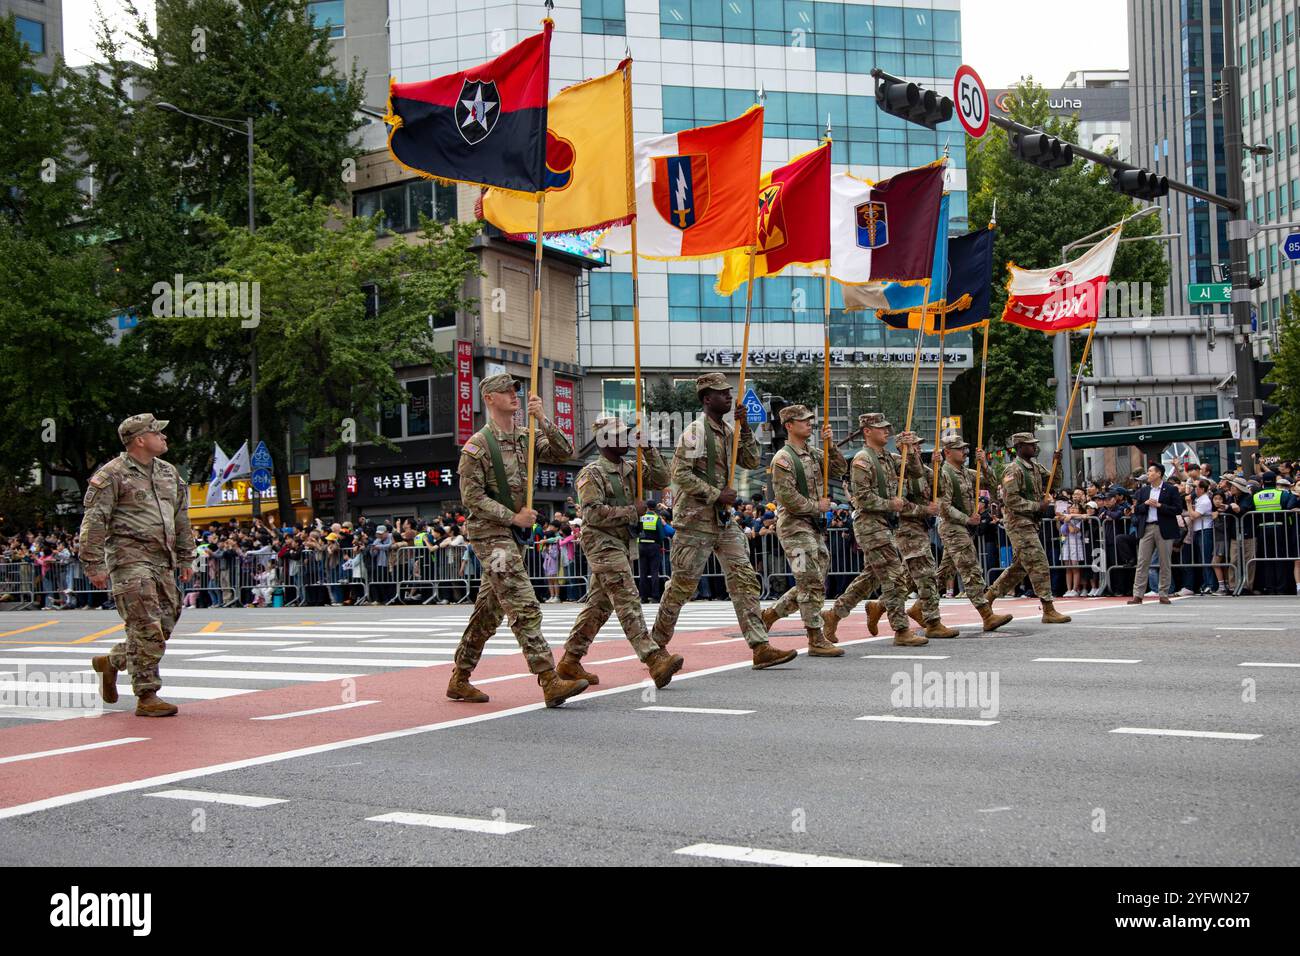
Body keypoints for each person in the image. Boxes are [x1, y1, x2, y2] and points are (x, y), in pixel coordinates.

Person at [446, 374, 589, 708]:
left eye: (516, 391)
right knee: (523, 602)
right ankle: (548, 678)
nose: (515, 395)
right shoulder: (477, 447)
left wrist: (542, 418)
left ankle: (460, 677)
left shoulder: (527, 437)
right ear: (489, 398)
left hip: (514, 534)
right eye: (506, 391)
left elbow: (565, 451)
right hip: (491, 534)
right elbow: (471, 497)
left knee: (489, 611)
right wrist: (513, 517)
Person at [649, 372, 797, 670]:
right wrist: (717, 493)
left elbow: (752, 461)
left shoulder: (730, 430)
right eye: (721, 393)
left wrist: (744, 429)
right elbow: (679, 474)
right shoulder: (695, 432)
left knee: (744, 578)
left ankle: (760, 645)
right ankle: (656, 644)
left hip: (724, 521)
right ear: (707, 398)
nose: (728, 397)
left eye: (729, 392)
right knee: (683, 585)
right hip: (694, 520)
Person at [80, 414, 195, 717]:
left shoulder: (169, 473)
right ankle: (147, 695)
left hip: (163, 560)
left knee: (168, 618)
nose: (164, 437)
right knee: (145, 625)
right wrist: (92, 563)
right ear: (140, 439)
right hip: (130, 560)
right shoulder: (112, 475)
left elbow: (181, 517)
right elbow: (94, 521)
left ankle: (113, 661)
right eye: (158, 433)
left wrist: (186, 556)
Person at [559, 417, 685, 689]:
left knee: (599, 606)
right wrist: (631, 512)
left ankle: (570, 659)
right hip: (601, 542)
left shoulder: (632, 469)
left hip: (622, 542)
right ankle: (653, 658)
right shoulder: (591, 473)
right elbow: (591, 513)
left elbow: (663, 478)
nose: (625, 440)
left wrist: (648, 446)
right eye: (618, 436)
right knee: (627, 596)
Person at [821, 413, 926, 647]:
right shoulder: (862, 460)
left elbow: (916, 472)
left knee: (870, 578)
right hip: (870, 525)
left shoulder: (888, 457)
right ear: (867, 431)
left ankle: (834, 614)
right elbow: (863, 498)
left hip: (883, 524)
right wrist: (891, 504)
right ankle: (901, 629)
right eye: (880, 428)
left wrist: (910, 449)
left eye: (887, 427)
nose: (886, 431)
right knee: (895, 577)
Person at [759, 405, 849, 657]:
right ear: (789, 425)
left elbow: (839, 468)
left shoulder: (813, 453)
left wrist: (831, 445)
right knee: (809, 580)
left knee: (813, 579)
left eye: (811, 420)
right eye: (804, 421)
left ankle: (772, 614)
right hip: (793, 527)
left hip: (812, 525)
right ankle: (815, 637)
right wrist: (816, 506)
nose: (810, 424)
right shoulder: (783, 459)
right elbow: (787, 498)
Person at [985, 433, 1072, 623]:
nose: (1034, 448)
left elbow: (1054, 484)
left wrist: (1057, 464)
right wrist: (1037, 506)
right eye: (1030, 445)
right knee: (1038, 562)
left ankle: (987, 599)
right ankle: (1048, 609)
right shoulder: (1013, 470)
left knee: (1020, 568)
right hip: (1018, 523)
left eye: (1034, 445)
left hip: (1031, 523)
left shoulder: (1035, 468)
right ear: (1020, 447)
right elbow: (1010, 500)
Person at [935, 437, 1013, 631]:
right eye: (959, 449)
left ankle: (918, 607)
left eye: (965, 448)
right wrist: (967, 518)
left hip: (963, 528)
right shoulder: (944, 473)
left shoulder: (964, 472)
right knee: (971, 569)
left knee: (943, 574)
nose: (964, 452)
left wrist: (984, 464)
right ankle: (987, 615)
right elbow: (943, 507)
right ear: (947, 452)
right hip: (954, 527)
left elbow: (991, 482)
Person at [894, 437, 960, 639]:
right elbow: (898, 503)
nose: (918, 448)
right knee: (926, 573)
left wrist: (937, 466)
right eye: (914, 445)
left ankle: (879, 607)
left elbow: (941, 488)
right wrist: (924, 509)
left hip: (921, 528)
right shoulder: (899, 472)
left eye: (918, 445)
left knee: (909, 578)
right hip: (907, 528)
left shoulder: (922, 470)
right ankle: (932, 622)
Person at [1126, 462, 1184, 605]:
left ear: (1159, 473)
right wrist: (1145, 504)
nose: (1149, 473)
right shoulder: (1144, 491)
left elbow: (1177, 509)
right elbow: (1137, 509)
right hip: (1147, 528)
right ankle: (1137, 595)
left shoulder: (1170, 489)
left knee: (1165, 562)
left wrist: (1159, 506)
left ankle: (1163, 593)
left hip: (1164, 528)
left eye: (1151, 471)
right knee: (1142, 562)